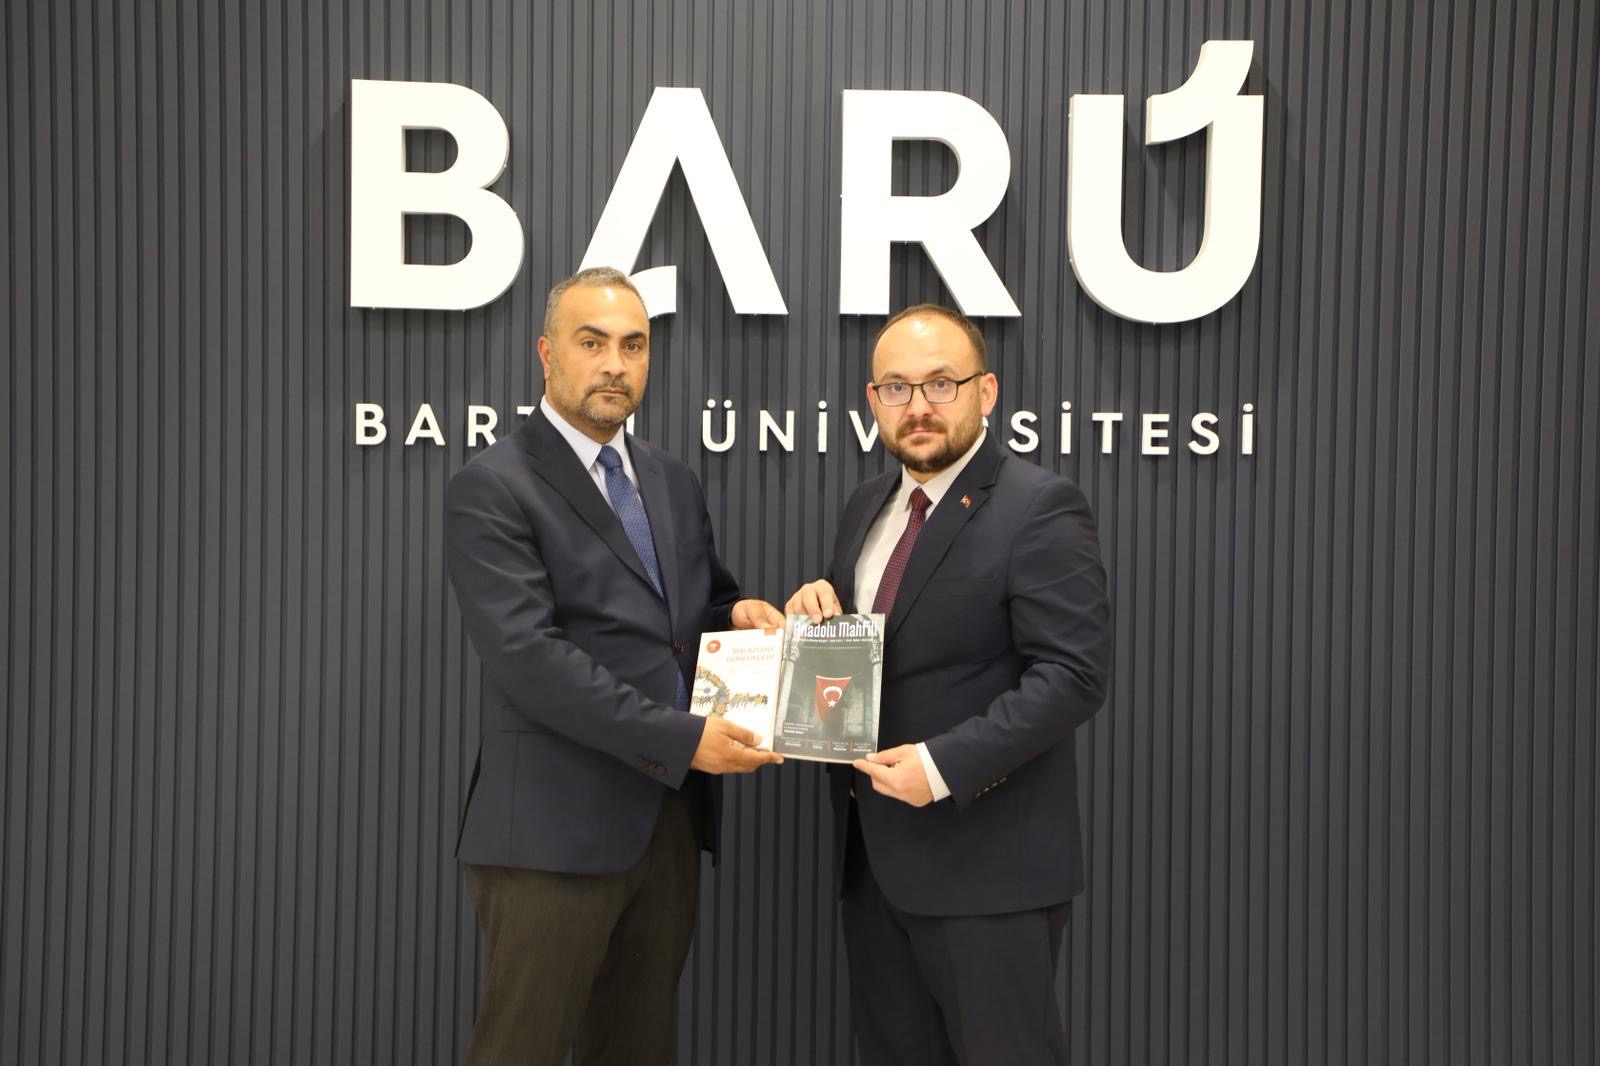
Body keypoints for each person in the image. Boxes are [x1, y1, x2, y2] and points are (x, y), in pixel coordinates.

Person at [444, 267, 785, 1066]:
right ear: (547, 354)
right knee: (519, 1052)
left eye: (634, 346)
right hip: (551, 834)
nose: (614, 364)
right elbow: (530, 659)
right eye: (591, 343)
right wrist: (683, 739)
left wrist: (736, 615)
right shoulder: (491, 486)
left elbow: (689, 617)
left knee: (637, 1049)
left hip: (666, 825)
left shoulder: (670, 479)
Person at [786, 304, 1112, 1065]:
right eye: (896, 388)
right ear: (873, 401)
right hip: (874, 870)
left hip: (988, 873)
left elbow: (1073, 675)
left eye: (941, 383)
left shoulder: (1040, 506)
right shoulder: (866, 507)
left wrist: (939, 767)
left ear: (986, 391)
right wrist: (815, 613)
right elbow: (879, 654)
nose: (919, 406)